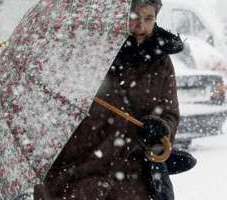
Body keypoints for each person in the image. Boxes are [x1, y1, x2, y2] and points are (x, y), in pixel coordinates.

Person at [34, 0, 184, 199]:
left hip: (134, 176)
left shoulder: (161, 60)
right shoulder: (92, 52)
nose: (141, 26)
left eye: (149, 18)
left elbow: (169, 111)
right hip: (84, 172)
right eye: (134, 18)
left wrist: (160, 129)